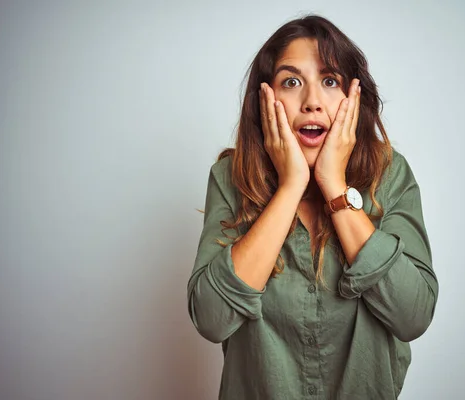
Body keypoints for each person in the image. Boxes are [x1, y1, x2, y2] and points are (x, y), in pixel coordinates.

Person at [187, 14, 438, 399]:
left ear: (353, 97)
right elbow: (211, 319)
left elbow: (412, 316)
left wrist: (333, 186)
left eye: (329, 81)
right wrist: (290, 188)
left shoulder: (390, 174)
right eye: (291, 82)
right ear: (265, 98)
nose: (312, 102)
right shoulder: (229, 177)